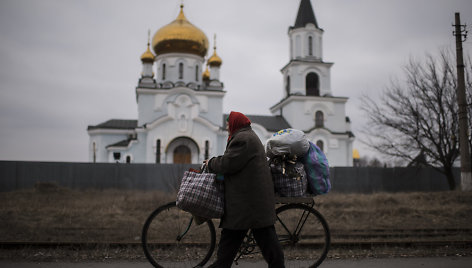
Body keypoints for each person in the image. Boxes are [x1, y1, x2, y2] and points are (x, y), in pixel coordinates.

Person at [205, 111, 285, 268]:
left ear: (235, 123)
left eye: (229, 123)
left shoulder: (243, 139)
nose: (227, 126)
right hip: (253, 201)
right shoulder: (247, 136)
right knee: (266, 243)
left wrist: (210, 163)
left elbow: (228, 164)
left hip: (247, 203)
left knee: (232, 243)